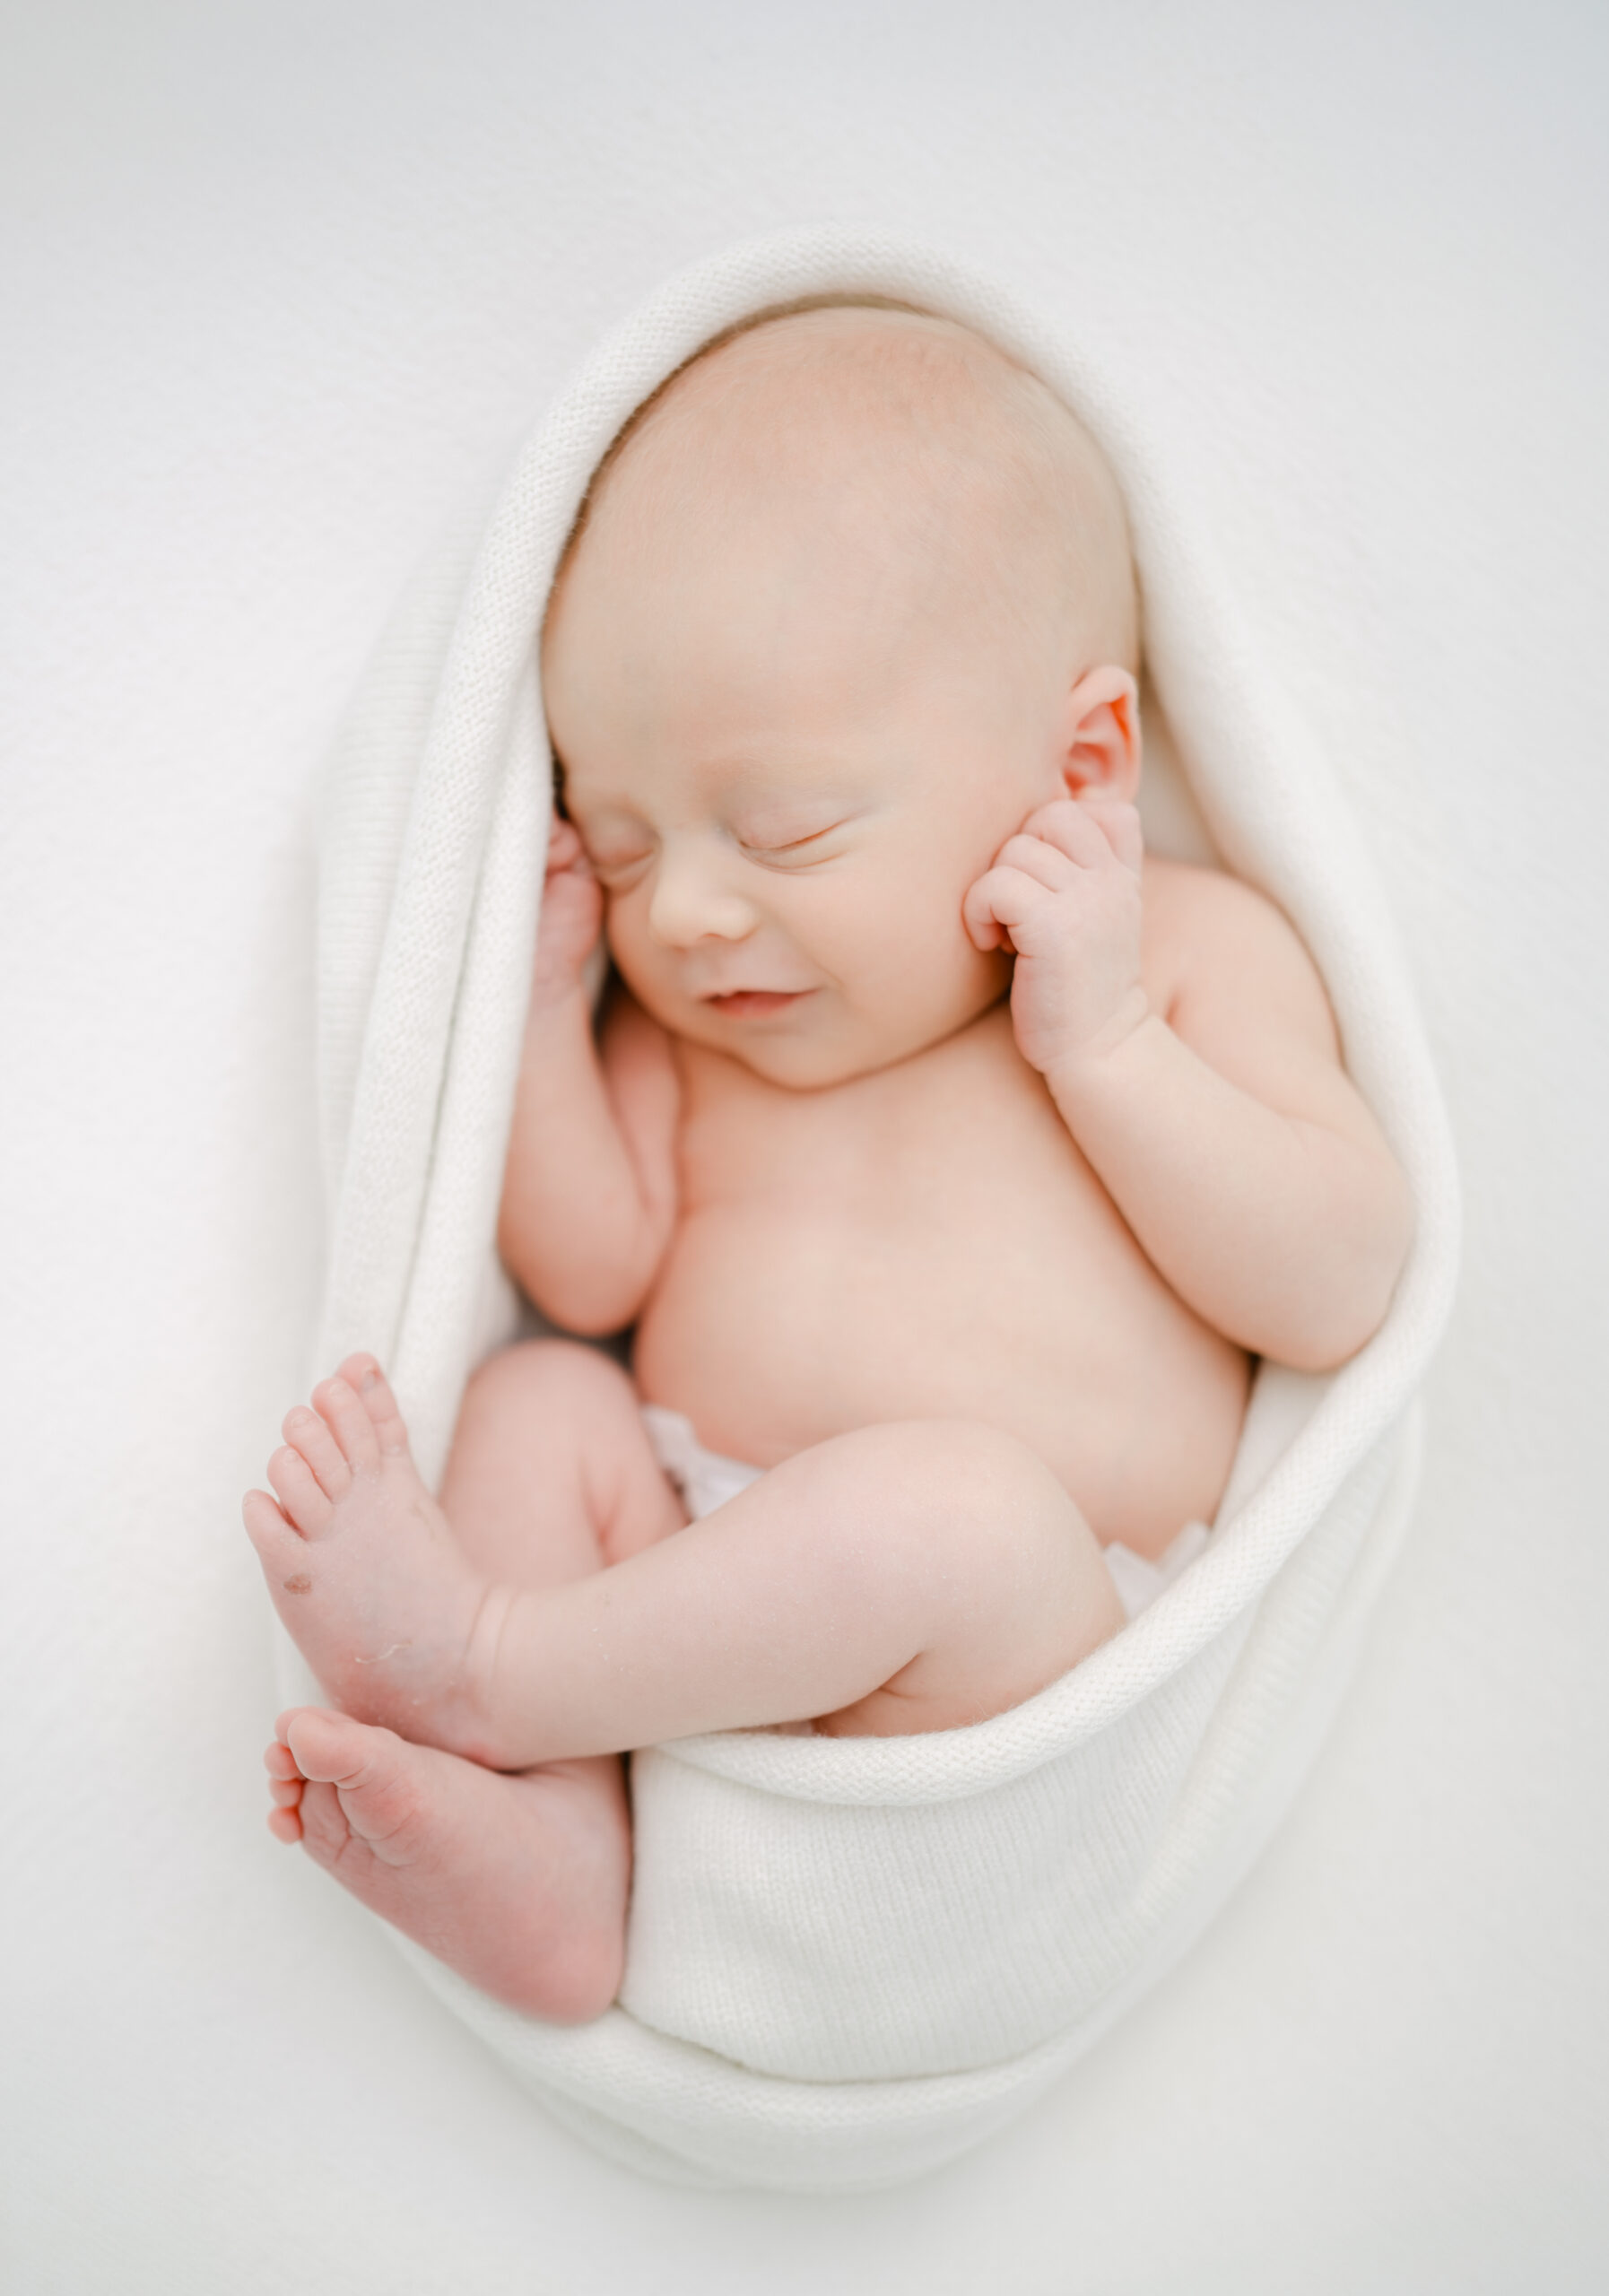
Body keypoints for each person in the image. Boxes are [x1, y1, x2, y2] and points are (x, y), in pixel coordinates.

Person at [244, 305, 1412, 2020]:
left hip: (1007, 1639)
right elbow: (589, 1276)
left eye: (784, 829)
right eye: (628, 846)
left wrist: (1107, 1049)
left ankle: (491, 1670)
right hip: (682, 1563)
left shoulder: (1184, 959)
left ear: (1077, 767)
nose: (694, 913)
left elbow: (1338, 1288)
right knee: (545, 1405)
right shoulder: (696, 1033)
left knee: (951, 1509)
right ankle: (559, 1850)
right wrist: (558, 1018)